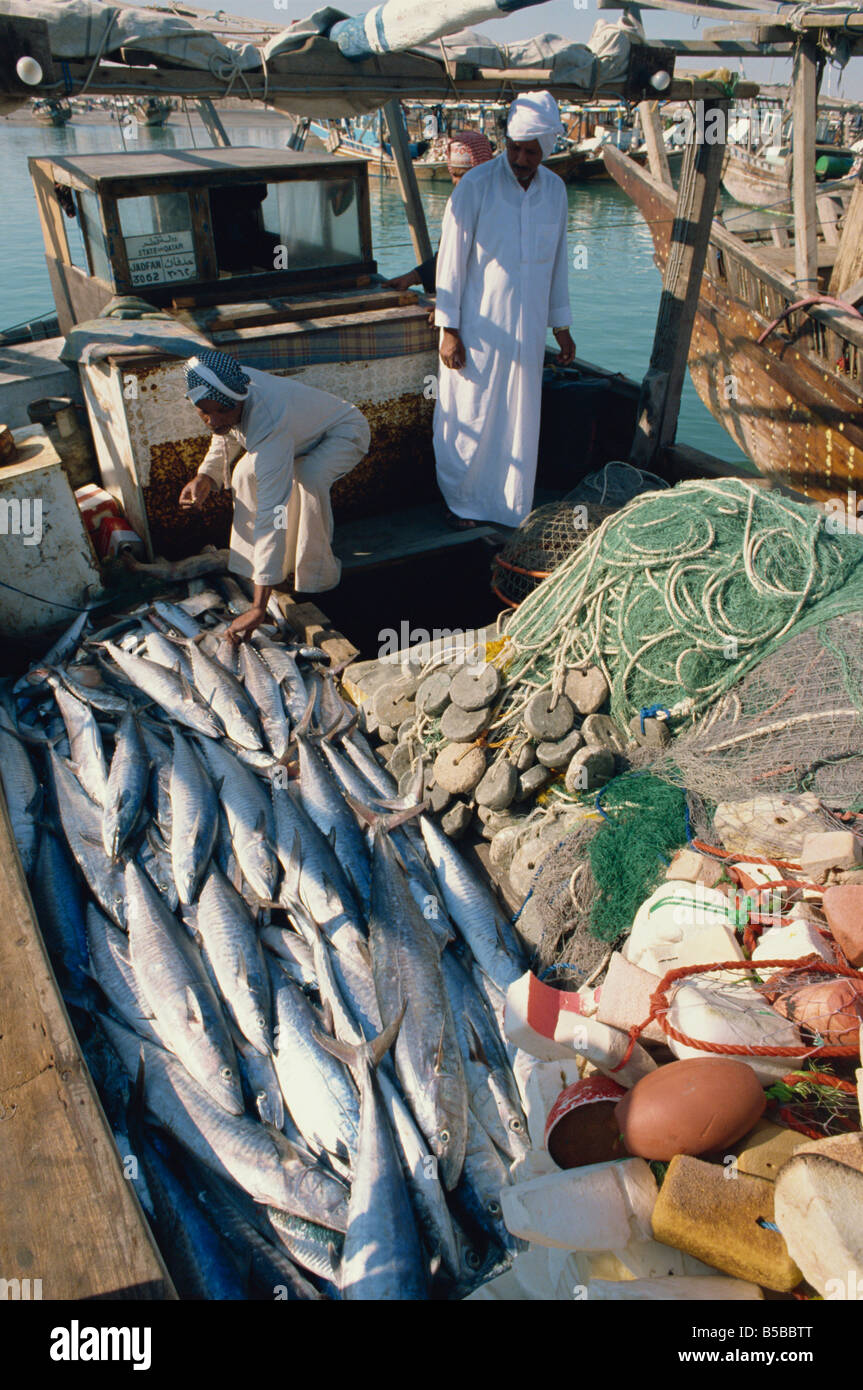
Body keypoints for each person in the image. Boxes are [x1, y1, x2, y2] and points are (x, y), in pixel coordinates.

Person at [432, 92, 576, 531]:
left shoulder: (555, 190)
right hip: (478, 326)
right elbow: (450, 261)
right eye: (514, 147)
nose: (520, 157)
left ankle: (512, 508)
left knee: (518, 417)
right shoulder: (475, 187)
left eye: (531, 151)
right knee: (470, 411)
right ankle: (464, 506)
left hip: (528, 331)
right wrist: (448, 328)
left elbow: (558, 263)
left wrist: (562, 328)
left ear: (547, 149)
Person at [178, 350, 370, 644]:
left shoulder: (267, 420)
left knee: (309, 477)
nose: (212, 420)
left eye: (221, 411)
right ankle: (260, 571)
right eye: (203, 411)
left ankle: (315, 575)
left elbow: (272, 515)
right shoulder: (229, 391)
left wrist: (257, 608)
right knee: (242, 476)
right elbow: (222, 432)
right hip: (297, 437)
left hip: (343, 433)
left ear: (239, 400)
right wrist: (205, 475)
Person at [384, 132, 495, 295]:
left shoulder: (496, 209)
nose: (459, 183)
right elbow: (448, 257)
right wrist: (412, 277)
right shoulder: (458, 204)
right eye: (455, 175)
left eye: (465, 176)